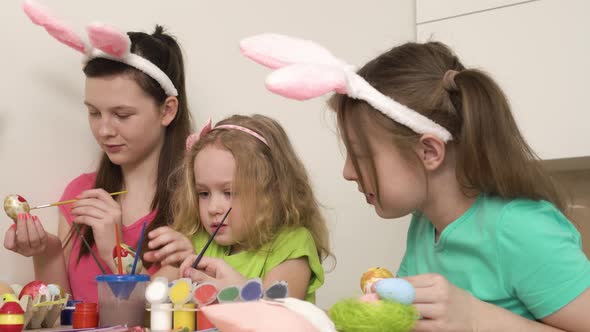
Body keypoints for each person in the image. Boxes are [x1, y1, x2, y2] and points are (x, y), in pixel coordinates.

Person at [241, 34, 590, 330]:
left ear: (429, 151)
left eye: (361, 154)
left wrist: (477, 318)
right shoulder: (425, 225)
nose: (348, 172)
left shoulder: (520, 228)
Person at [4, 1, 193, 303]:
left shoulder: (203, 199)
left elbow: (170, 314)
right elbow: (66, 314)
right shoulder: (80, 194)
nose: (104, 130)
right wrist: (48, 252)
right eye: (94, 112)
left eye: (122, 114)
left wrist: (114, 250)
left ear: (167, 110)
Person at [176, 114, 331, 302]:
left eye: (229, 192)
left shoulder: (291, 245)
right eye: (204, 194)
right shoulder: (198, 241)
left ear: (271, 191)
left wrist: (238, 291)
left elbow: (279, 316)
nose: (213, 208)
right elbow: (153, 294)